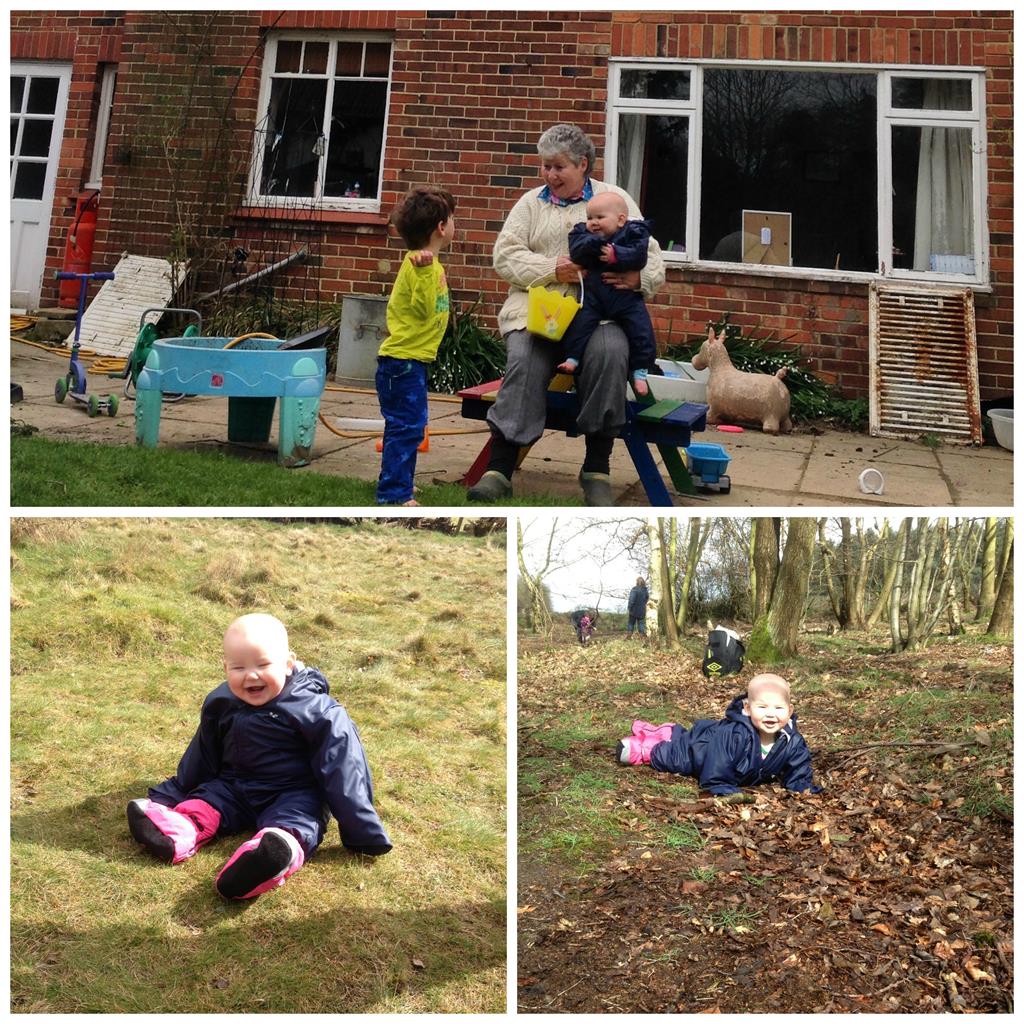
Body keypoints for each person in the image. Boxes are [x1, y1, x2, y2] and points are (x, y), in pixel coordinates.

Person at [126, 613, 391, 900]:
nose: (251, 675)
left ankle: (272, 855)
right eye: (238, 667)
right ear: (225, 666)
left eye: (263, 665)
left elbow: (344, 770)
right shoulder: (222, 701)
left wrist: (362, 831)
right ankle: (176, 833)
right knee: (205, 802)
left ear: (288, 664)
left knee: (296, 822)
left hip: (293, 792)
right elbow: (203, 751)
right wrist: (173, 793)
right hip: (233, 786)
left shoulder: (318, 711)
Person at [468, 123, 665, 506]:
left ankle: (596, 469)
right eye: (545, 167)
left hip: (601, 313)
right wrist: (551, 268)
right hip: (539, 312)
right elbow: (504, 257)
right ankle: (500, 469)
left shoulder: (614, 200)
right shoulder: (530, 204)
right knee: (524, 357)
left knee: (611, 353)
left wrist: (637, 277)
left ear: (583, 165)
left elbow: (652, 254)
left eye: (559, 167)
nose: (550, 175)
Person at [375, 186, 456, 506]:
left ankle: (398, 479)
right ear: (440, 227)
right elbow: (423, 309)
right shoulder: (420, 266)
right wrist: (424, 276)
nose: (453, 225)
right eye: (452, 219)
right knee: (407, 427)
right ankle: (394, 494)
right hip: (403, 363)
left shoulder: (428, 263)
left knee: (406, 425)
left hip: (408, 362)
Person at [615, 673, 821, 795]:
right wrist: (720, 785)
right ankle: (646, 747)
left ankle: (669, 731)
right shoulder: (735, 735)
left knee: (679, 738)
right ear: (748, 709)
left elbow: (799, 767)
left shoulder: (791, 740)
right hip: (702, 751)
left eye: (778, 708)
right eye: (763, 707)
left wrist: (801, 786)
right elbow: (716, 765)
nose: (771, 715)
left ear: (790, 711)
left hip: (710, 739)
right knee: (675, 756)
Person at [555, 192, 656, 396]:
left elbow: (639, 256)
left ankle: (640, 372)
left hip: (626, 298)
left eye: (600, 218)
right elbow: (577, 251)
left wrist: (617, 255)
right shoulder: (582, 233)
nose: (593, 223)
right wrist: (593, 243)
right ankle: (573, 358)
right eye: (590, 218)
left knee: (641, 330)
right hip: (595, 296)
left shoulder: (634, 232)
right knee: (580, 324)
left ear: (620, 220)